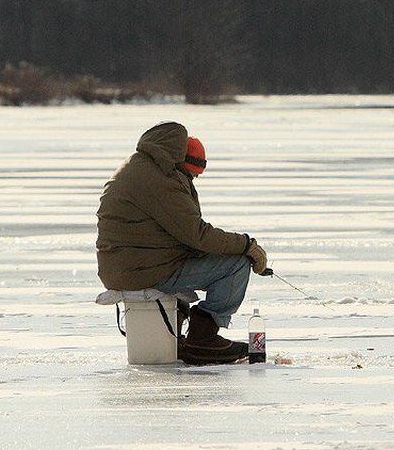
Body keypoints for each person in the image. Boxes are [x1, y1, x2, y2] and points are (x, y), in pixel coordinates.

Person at [96, 122, 268, 365]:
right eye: (193, 175)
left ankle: (179, 334)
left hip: (127, 267)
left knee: (208, 258)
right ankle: (203, 338)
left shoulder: (139, 166)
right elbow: (197, 235)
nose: (193, 180)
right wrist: (247, 246)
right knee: (236, 264)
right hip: (144, 271)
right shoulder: (162, 180)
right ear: (182, 163)